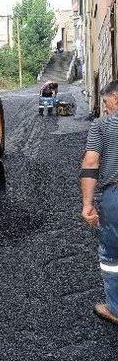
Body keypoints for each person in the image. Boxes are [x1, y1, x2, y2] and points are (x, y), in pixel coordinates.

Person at [80, 80, 118, 326]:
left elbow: (92, 162)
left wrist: (87, 204)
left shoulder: (102, 126)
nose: (105, 109)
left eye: (106, 103)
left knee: (112, 257)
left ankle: (115, 308)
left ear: (116, 98)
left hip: (114, 196)